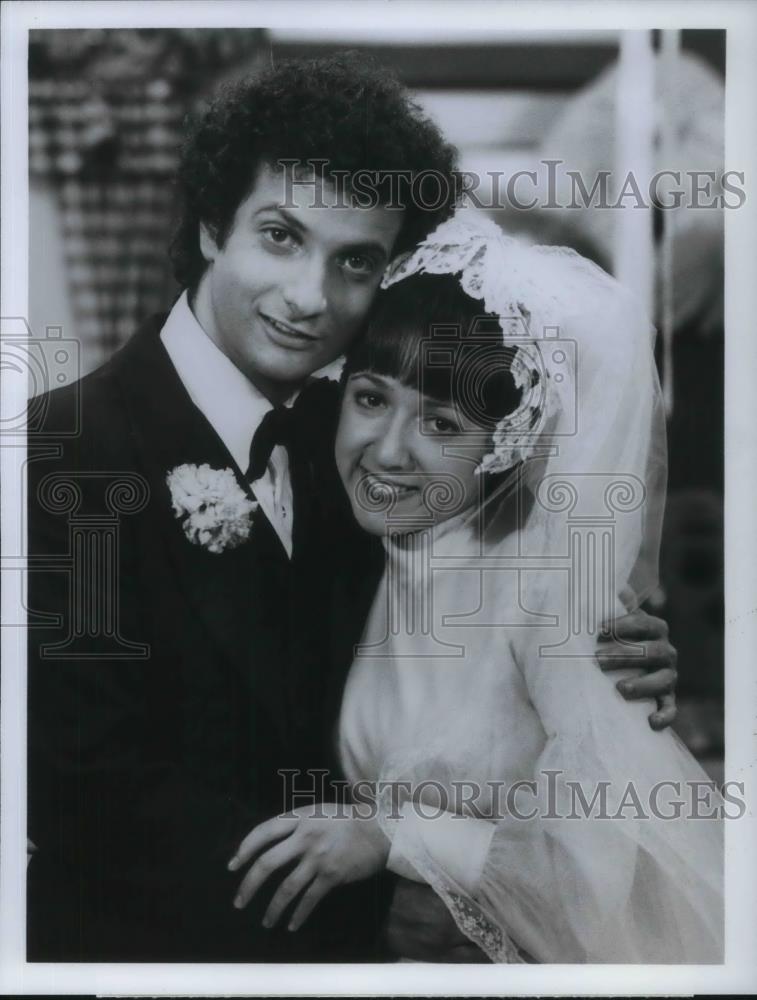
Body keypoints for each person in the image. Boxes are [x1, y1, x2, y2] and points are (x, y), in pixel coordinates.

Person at [27, 55, 678, 963]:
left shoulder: (358, 435)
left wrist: (611, 668)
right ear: (211, 227)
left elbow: (494, 614)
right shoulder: (61, 450)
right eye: (280, 236)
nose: (309, 298)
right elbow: (81, 786)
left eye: (355, 261)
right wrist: (377, 916)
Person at [228, 215, 723, 963]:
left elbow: (603, 872)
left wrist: (394, 838)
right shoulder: (367, 557)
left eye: (441, 423)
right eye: (370, 399)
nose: (386, 451)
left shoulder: (554, 598)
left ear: (509, 445)